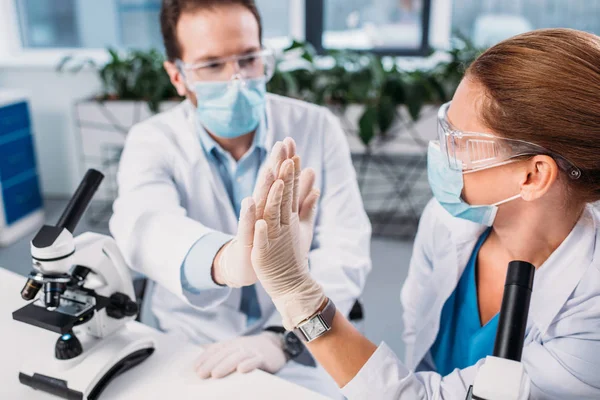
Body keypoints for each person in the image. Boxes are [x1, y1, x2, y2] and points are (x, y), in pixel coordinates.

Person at [242, 29, 600, 399]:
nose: (439, 152)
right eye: (445, 127)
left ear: (533, 175)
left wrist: (298, 296)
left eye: (458, 142)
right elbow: (420, 362)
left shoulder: (592, 316)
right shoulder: (447, 222)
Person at [109, 0, 371, 396]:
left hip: (303, 345)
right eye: (212, 65)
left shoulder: (316, 126)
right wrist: (227, 262)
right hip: (191, 340)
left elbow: (346, 252)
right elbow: (145, 225)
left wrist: (283, 340)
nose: (237, 79)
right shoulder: (153, 140)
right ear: (178, 77)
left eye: (248, 59)